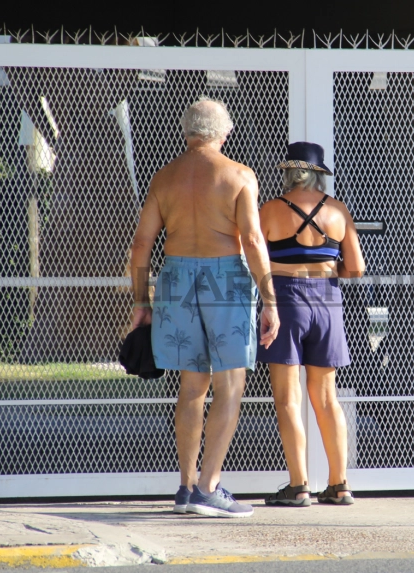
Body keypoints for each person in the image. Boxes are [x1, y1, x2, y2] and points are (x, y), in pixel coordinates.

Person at [129, 97, 280, 518]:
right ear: (223, 133)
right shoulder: (238, 175)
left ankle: (185, 484)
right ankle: (209, 488)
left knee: (192, 386)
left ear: (187, 132)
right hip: (225, 278)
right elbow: (251, 240)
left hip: (176, 278)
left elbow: (142, 244)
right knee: (230, 384)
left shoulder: (164, 177)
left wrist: (141, 301)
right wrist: (270, 300)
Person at [257, 142, 365, 506]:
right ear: (319, 174)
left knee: (288, 398)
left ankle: (299, 484)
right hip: (328, 301)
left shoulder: (269, 210)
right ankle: (339, 484)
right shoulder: (337, 210)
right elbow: (357, 268)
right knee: (326, 396)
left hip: (286, 299)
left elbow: (251, 257)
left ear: (287, 173)